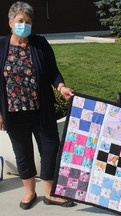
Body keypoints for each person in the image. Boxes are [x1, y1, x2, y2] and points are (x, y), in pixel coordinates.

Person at [0, 1, 75, 210]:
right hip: (14, 113)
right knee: (22, 153)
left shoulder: (40, 43)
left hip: (42, 110)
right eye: (20, 21)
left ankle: (50, 193)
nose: (24, 25)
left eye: (28, 21)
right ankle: (29, 192)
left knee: (50, 149)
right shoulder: (1, 45)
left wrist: (61, 87)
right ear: (10, 22)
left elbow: (53, 71)